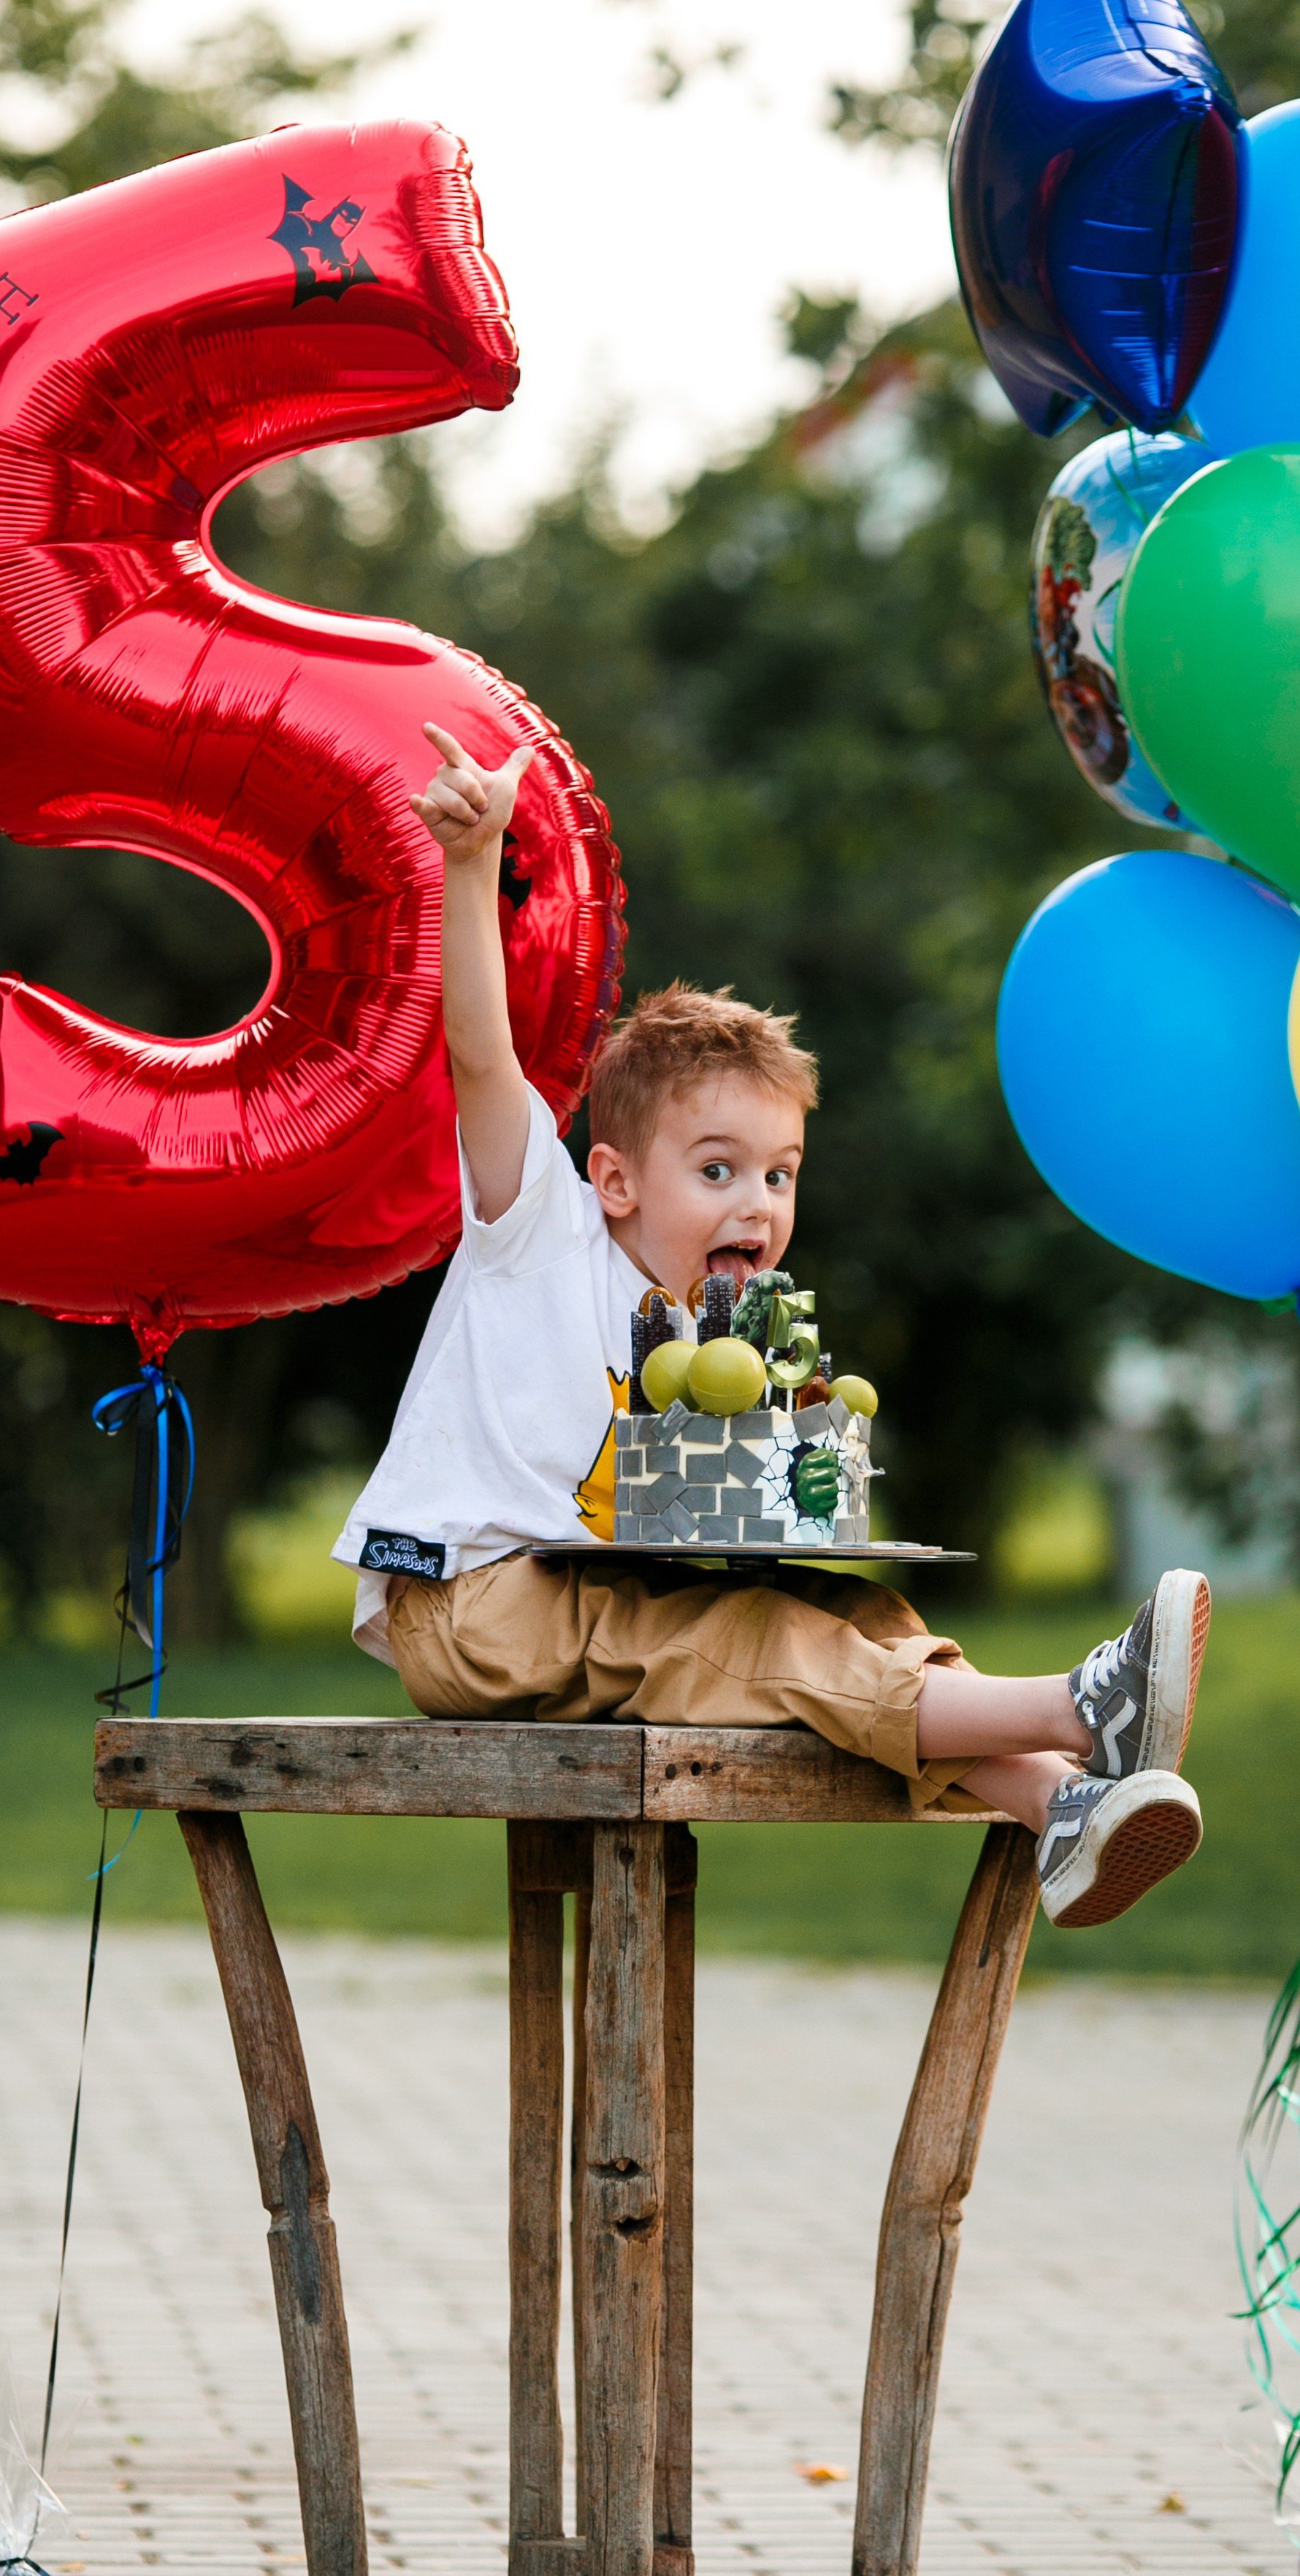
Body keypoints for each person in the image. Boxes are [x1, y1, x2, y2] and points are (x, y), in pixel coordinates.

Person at [332, 725, 1209, 1928]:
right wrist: (474, 863)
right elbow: (480, 1057)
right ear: (618, 1179)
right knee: (743, 1641)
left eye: (782, 1175)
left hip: (572, 1589)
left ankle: (1055, 1804)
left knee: (855, 1617)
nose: (758, 1202)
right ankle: (1075, 1707)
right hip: (468, 1599)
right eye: (719, 1169)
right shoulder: (542, 1228)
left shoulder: (723, 1333)